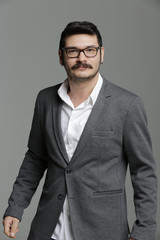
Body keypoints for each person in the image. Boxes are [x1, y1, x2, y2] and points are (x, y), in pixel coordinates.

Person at [3, 21, 157, 240]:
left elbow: (144, 172)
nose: (82, 58)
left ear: (101, 54)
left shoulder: (127, 105)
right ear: (61, 56)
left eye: (90, 50)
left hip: (103, 230)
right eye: (73, 51)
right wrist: (15, 207)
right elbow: (36, 158)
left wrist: (144, 231)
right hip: (49, 230)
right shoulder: (45, 100)